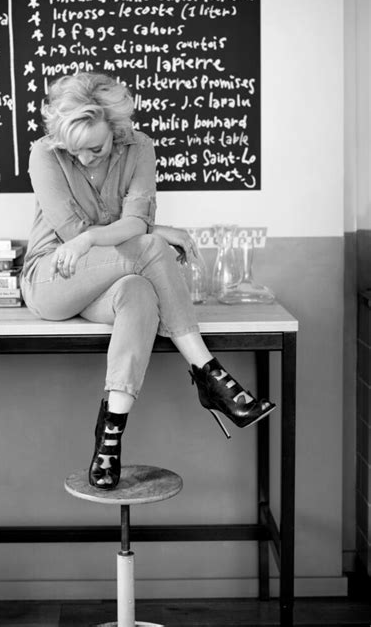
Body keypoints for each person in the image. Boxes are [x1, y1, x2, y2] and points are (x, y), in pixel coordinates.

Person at [20, 72, 275, 490]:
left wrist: (118, 234)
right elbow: (75, 233)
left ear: (117, 130)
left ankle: (110, 435)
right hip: (54, 277)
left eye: (96, 148)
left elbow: (133, 222)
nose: (85, 158)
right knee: (152, 246)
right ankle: (210, 374)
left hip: (113, 279)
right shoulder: (44, 155)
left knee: (138, 293)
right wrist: (145, 233)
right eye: (74, 149)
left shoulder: (140, 148)